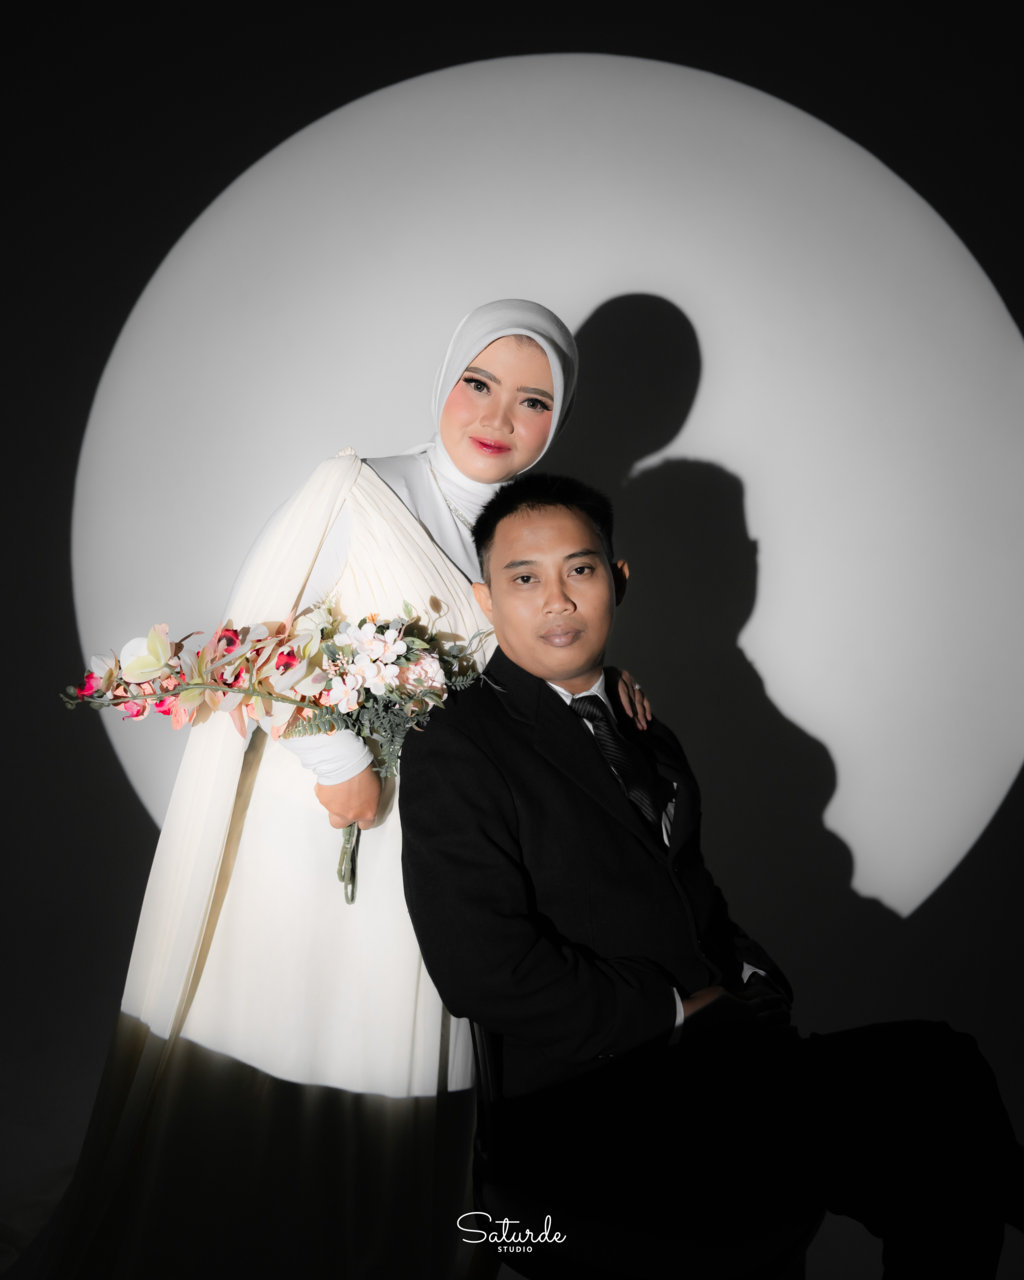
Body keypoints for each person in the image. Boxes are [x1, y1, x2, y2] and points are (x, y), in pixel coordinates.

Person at [28, 302, 646, 1279]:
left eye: (533, 401)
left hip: (438, 844)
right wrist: (340, 764)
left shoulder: (518, 537)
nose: (498, 416)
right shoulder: (358, 489)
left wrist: (599, 687)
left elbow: (527, 660)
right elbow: (248, 645)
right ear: (446, 380)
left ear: (557, 419)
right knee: (288, 1032)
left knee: (388, 1055)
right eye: (479, 383)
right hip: (315, 827)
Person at [400, 472, 1024, 1277]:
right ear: (486, 601)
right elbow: (481, 971)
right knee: (935, 1111)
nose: (556, 600)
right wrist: (674, 1010)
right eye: (524, 579)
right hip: (588, 1105)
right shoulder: (457, 743)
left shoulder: (643, 729)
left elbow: (686, 892)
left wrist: (748, 976)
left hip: (722, 1064)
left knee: (939, 1083)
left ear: (618, 580)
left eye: (580, 570)